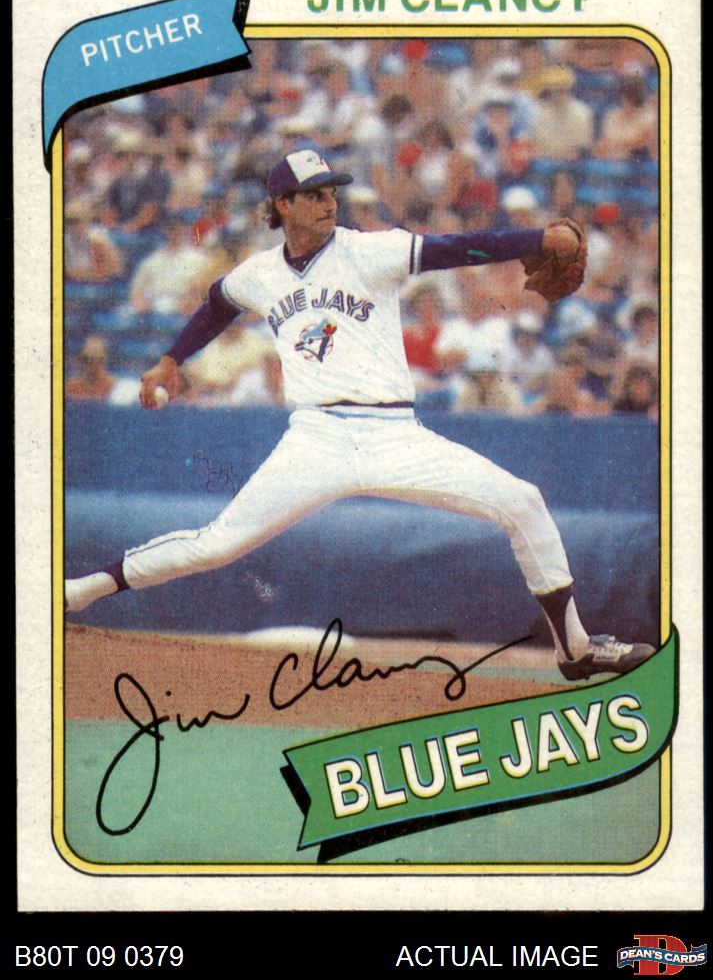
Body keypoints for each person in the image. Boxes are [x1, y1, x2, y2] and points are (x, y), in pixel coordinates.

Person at [65, 149, 654, 681]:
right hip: (315, 438)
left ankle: (575, 649)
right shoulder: (260, 274)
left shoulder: (369, 251)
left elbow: (455, 248)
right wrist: (172, 359)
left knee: (523, 502)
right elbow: (218, 303)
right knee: (216, 546)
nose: (329, 202)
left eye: (332, 191)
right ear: (282, 204)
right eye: (314, 194)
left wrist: (534, 239)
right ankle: (78, 592)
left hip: (395, 435)